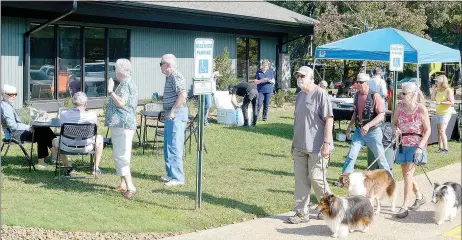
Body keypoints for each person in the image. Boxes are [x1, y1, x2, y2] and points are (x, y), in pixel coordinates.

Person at [288, 66, 333, 224]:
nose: (299, 78)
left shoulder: (321, 94)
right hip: (300, 146)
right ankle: (301, 213)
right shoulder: (299, 96)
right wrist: (293, 144)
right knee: (300, 181)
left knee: (317, 179)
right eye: (298, 75)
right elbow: (297, 121)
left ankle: (330, 208)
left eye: (303, 75)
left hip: (317, 147)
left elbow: (329, 119)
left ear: (311, 78)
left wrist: (326, 143)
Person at [393, 82, 431, 218]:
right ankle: (419, 196)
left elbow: (428, 130)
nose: (401, 96)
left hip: (416, 145)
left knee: (408, 175)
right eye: (401, 93)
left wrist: (420, 147)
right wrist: (396, 129)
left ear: (413, 94)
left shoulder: (421, 109)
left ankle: (404, 206)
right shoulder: (399, 108)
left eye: (404, 93)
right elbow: (394, 123)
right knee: (406, 174)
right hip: (403, 144)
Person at [341, 73, 391, 175]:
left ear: (367, 83)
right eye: (357, 82)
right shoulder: (356, 95)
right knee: (351, 155)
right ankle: (345, 178)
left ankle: (389, 179)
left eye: (361, 82)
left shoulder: (375, 96)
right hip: (359, 131)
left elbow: (381, 114)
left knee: (380, 158)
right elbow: (355, 113)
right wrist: (349, 126)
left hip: (373, 132)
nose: (358, 84)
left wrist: (368, 125)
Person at [1, 84, 57, 169]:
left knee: (44, 130)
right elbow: (13, 126)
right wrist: (27, 127)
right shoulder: (5, 107)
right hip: (15, 134)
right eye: (10, 95)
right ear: (3, 95)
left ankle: (53, 155)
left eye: (15, 94)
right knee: (42, 131)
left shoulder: (5, 105)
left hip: (15, 132)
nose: (13, 97)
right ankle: (47, 158)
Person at [105, 58, 138, 198]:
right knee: (119, 153)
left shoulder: (125, 84)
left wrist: (110, 91)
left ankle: (130, 186)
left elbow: (121, 102)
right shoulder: (127, 83)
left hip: (123, 124)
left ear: (123, 71)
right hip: (121, 124)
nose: (115, 73)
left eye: (117, 70)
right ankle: (123, 183)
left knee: (122, 155)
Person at [52, 92, 104, 176]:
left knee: (55, 141)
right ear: (86, 104)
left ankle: (68, 167)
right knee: (100, 138)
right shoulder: (92, 115)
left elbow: (60, 125)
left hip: (67, 146)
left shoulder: (64, 114)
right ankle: (96, 168)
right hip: (87, 146)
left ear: (73, 103)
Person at [160, 54, 189, 187]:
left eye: (161, 64)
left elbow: (182, 95)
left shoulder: (176, 76)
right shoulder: (170, 77)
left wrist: (172, 111)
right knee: (168, 144)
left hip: (176, 114)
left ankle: (178, 178)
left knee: (174, 145)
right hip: (170, 114)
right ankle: (171, 173)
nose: (160, 67)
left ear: (167, 65)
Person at [431, 75, 454, 154]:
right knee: (439, 131)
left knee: (442, 131)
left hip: (446, 113)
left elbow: (451, 102)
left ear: (442, 82)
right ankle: (440, 148)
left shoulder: (448, 90)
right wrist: (433, 90)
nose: (436, 82)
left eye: (437, 81)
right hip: (438, 112)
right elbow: (433, 99)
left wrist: (441, 102)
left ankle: (445, 149)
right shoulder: (437, 90)